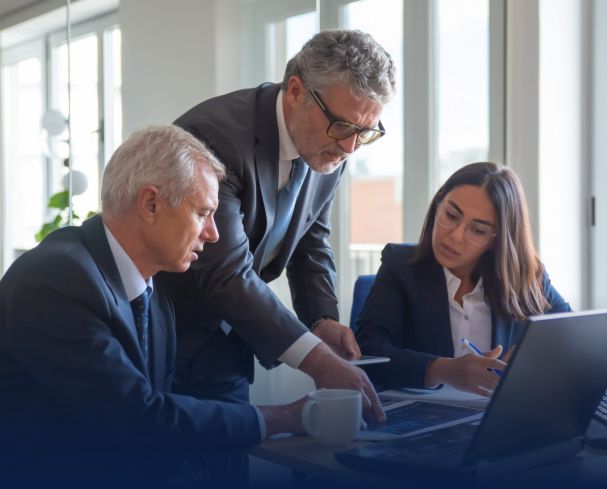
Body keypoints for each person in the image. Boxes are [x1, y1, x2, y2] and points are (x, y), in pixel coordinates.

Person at [0, 126, 307, 485]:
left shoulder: (155, 292)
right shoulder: (56, 278)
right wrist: (286, 417)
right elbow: (138, 418)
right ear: (151, 204)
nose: (213, 233)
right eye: (203, 213)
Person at [163, 29, 395, 418]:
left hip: (229, 342)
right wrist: (316, 359)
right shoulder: (213, 138)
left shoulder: (332, 146)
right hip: (166, 335)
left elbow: (311, 241)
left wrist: (321, 319)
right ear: (296, 91)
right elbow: (226, 273)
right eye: (343, 126)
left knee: (234, 448)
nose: (351, 147)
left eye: (365, 132)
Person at [355, 162, 571, 395]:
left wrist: (531, 355)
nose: (455, 236)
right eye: (451, 215)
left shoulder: (525, 276)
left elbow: (572, 336)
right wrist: (442, 370)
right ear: (437, 206)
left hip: (496, 413)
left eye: (477, 230)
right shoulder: (399, 266)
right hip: (421, 413)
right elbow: (369, 351)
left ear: (496, 239)